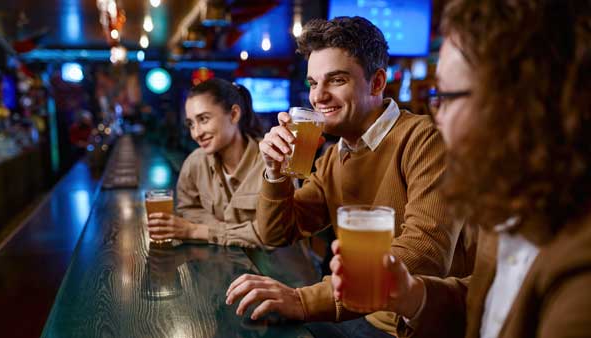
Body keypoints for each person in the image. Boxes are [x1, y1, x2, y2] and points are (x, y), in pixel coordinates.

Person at [329, 1, 591, 337]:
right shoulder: (513, 210)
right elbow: (494, 303)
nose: (438, 116)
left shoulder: (580, 276)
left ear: (520, 104)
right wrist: (413, 296)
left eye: (447, 97)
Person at [225, 16, 473, 337]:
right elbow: (276, 232)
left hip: (410, 329)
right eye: (314, 83)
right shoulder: (335, 155)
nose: (318, 97)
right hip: (362, 318)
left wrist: (304, 300)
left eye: (337, 80)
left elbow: (424, 255)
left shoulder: (425, 139)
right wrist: (275, 174)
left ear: (377, 82)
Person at [148, 78, 268, 248]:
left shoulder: (271, 162)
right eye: (191, 124)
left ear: (234, 115)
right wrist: (237, 232)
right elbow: (187, 211)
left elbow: (271, 234)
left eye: (204, 119)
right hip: (223, 265)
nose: (196, 133)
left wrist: (198, 231)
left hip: (276, 269)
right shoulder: (195, 162)